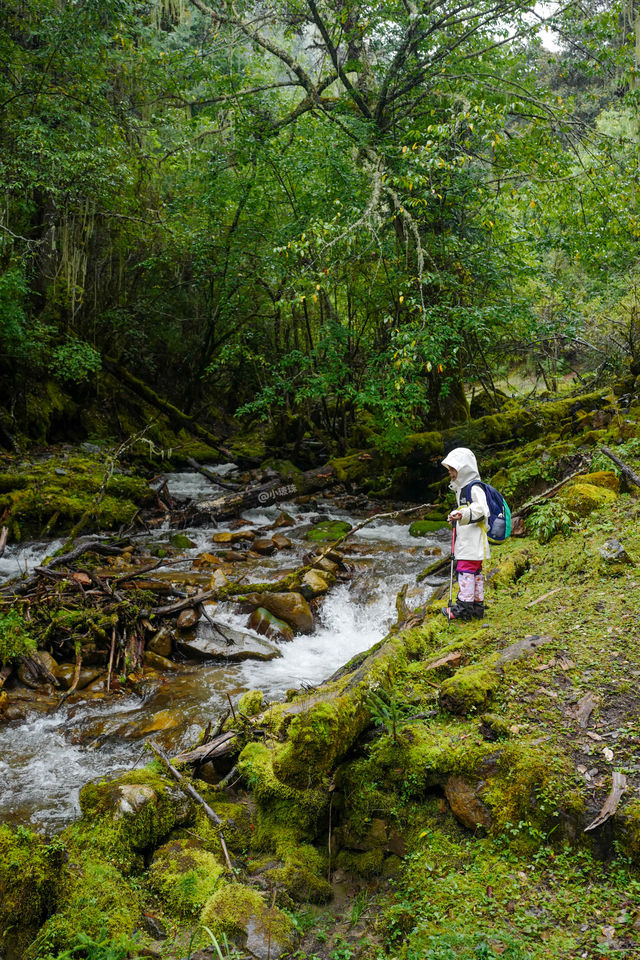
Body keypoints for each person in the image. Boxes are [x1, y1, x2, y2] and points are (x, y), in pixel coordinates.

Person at [440, 447, 489, 621]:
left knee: (465, 571)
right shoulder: (462, 490)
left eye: (453, 469)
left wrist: (463, 514)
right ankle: (477, 606)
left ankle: (463, 608)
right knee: (475, 572)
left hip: (472, 541)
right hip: (469, 541)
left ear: (464, 468)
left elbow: (482, 509)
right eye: (450, 470)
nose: (451, 473)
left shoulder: (474, 487)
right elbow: (465, 510)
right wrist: (456, 515)